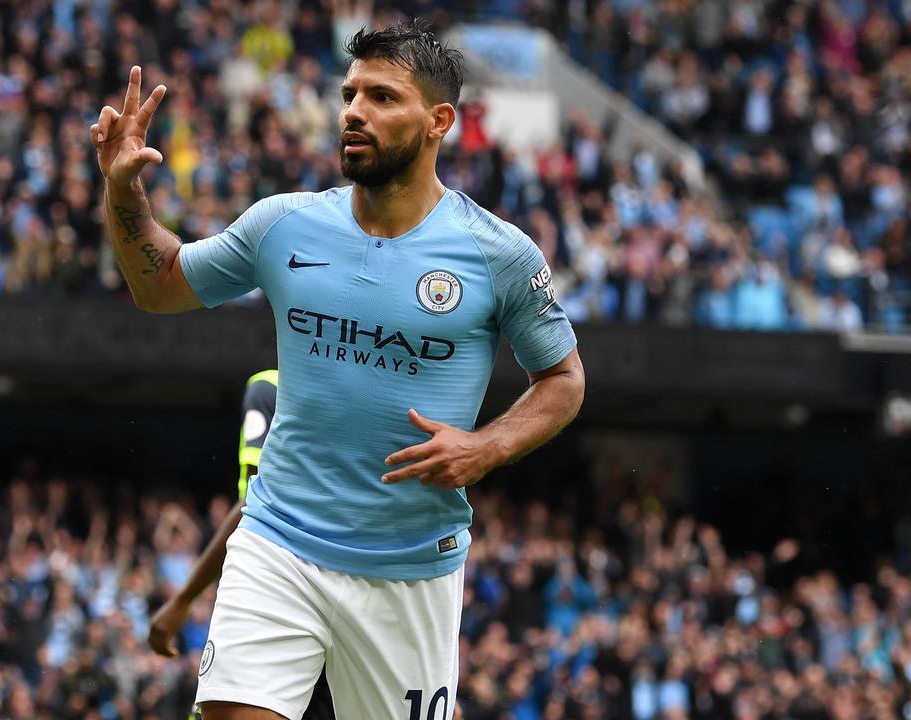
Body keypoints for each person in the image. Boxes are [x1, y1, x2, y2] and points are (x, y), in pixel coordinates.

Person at [90, 20, 585, 720]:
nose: (354, 110)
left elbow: (564, 380)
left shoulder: (498, 254)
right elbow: (161, 283)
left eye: (382, 97)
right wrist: (122, 193)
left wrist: (487, 446)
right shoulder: (283, 225)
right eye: (350, 94)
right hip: (278, 540)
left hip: (410, 566)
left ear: (439, 120)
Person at [148, 370, 335, 719]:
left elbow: (255, 500)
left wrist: (182, 599)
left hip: (278, 590)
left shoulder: (270, 387)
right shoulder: (364, 386)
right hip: (352, 592)